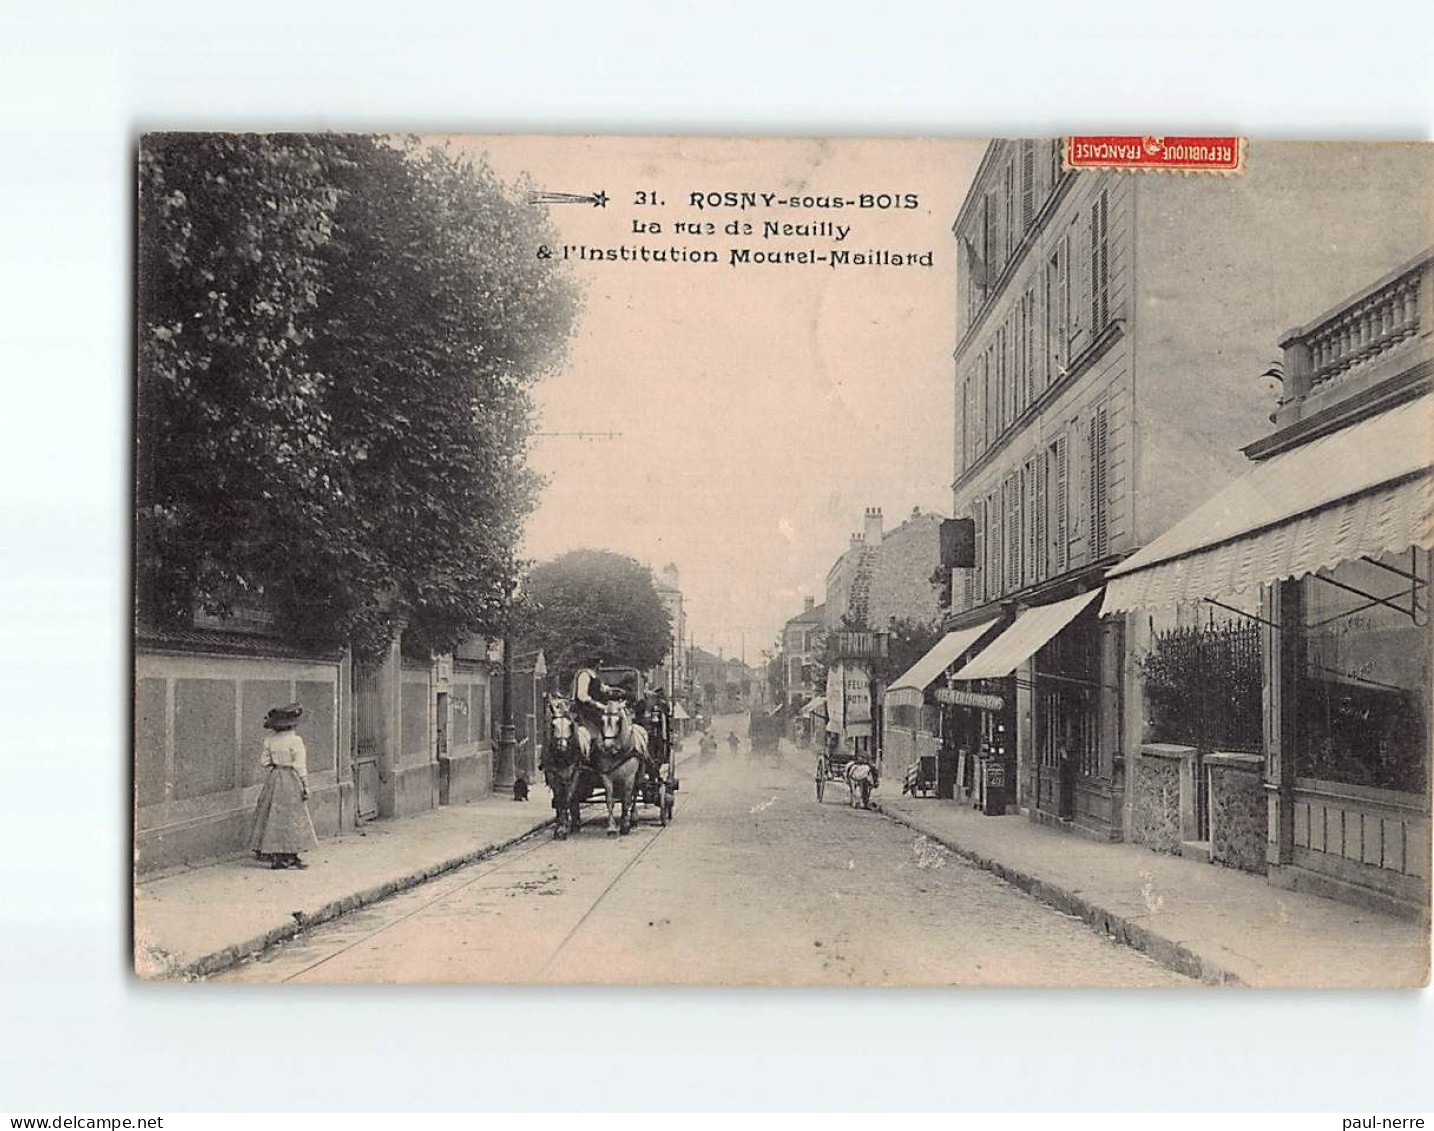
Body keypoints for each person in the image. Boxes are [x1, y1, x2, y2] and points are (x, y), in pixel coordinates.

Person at [249, 702, 318, 870]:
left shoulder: (270, 740)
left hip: (275, 778)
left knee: (273, 815)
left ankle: (276, 856)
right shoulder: (295, 741)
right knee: (292, 816)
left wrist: (276, 761)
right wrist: (306, 786)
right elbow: (300, 766)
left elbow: (264, 762)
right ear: (293, 724)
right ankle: (291, 856)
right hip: (291, 778)